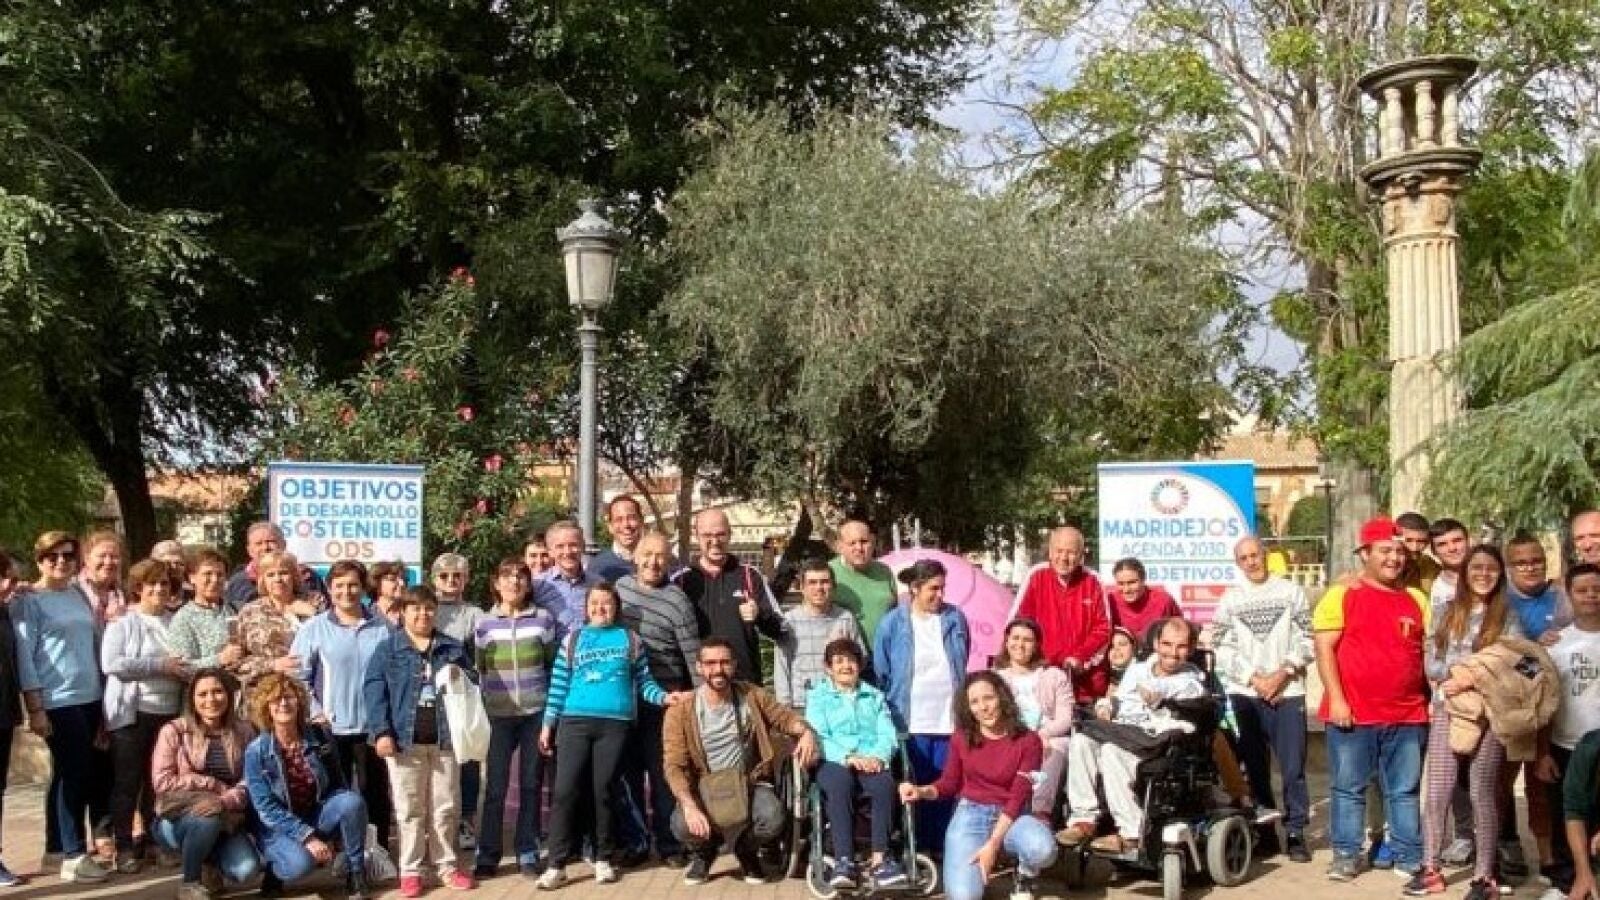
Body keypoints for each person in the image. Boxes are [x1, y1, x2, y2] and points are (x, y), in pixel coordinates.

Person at [535, 582, 681, 889]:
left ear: (616, 608)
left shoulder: (630, 640)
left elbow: (644, 682)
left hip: (615, 725)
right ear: (586, 608)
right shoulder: (573, 639)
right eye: (594, 603)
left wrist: (665, 698)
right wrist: (548, 724)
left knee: (604, 791)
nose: (600, 608)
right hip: (574, 722)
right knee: (564, 792)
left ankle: (603, 858)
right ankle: (556, 864)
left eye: (606, 603)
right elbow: (559, 686)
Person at [1314, 517, 1430, 881]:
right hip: (1354, 714)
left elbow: (1429, 651)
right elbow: (1324, 648)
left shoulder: (1416, 598)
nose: (1394, 558)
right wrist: (1337, 699)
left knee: (1405, 791)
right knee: (1349, 789)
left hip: (1408, 715)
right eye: (1385, 550)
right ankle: (1346, 855)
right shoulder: (1342, 594)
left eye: (1399, 551)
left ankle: (1408, 855)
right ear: (1365, 553)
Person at [1405, 545, 1520, 900]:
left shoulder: (1509, 617)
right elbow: (1432, 662)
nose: (1484, 574)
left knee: (1483, 791)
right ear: (1466, 573)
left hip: (1489, 712)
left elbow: (1523, 665)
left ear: (1500, 574)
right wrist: (1456, 674)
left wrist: (1473, 675)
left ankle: (1485, 877)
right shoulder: (1446, 611)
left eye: (1491, 568)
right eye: (1476, 568)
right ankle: (1430, 868)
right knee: (1438, 789)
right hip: (1449, 709)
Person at [663, 637, 819, 885]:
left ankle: (745, 850)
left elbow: (784, 718)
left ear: (734, 665)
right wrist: (689, 805)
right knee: (681, 824)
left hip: (749, 782)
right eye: (710, 663)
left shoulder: (751, 695)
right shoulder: (680, 710)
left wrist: (806, 732)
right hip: (703, 785)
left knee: (773, 817)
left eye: (724, 662)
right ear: (699, 667)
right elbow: (674, 765)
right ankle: (705, 851)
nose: (718, 669)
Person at [899, 672, 1057, 900]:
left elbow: (1018, 796)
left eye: (989, 698)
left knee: (1043, 850)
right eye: (974, 702)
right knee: (964, 896)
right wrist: (920, 791)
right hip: (970, 813)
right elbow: (949, 784)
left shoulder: (1028, 740)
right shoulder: (961, 738)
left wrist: (993, 844)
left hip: (1012, 815)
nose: (983, 707)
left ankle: (1025, 875)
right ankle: (974, 873)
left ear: (1002, 698)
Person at [365, 586, 478, 896]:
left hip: (445, 740)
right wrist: (382, 732)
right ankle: (411, 870)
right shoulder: (388, 649)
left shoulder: (451, 647)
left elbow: (472, 687)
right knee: (409, 809)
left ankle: (447, 866)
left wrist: (461, 678)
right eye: (415, 608)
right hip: (404, 741)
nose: (422, 614)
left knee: (445, 807)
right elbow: (374, 692)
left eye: (428, 608)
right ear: (402, 612)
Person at [1058, 617, 1206, 854]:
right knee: (1081, 741)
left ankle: (1131, 832)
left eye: (1181, 647)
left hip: (1153, 742)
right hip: (1123, 731)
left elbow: (1170, 689)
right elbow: (1120, 699)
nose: (1173, 652)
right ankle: (1084, 820)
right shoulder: (1138, 670)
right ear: (1156, 644)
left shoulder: (1192, 680)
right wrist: (1107, 706)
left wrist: (1156, 691)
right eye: (1167, 644)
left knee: (1111, 751)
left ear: (1190, 650)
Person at [1210, 535, 1314, 862]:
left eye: (1255, 555)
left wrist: (1283, 673)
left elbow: (1308, 637)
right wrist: (1254, 679)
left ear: (1265, 555)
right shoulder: (1230, 599)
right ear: (1237, 563)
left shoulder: (1291, 592)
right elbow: (1221, 646)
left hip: (1288, 692)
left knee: (1293, 768)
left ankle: (1295, 832)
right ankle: (1265, 831)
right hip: (1247, 694)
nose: (1251, 562)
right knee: (1255, 767)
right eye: (1244, 558)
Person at [15, 531, 110, 883]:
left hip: (89, 695)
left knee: (66, 774)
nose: (61, 562)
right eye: (52, 557)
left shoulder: (77, 593)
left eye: (68, 556)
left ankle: (55, 849)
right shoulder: (28, 600)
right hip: (57, 699)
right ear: (39, 560)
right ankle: (74, 854)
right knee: (75, 773)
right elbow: (25, 655)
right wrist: (35, 707)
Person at [291, 561, 394, 853]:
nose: (346, 591)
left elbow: (393, 674)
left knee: (375, 794)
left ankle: (378, 853)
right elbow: (297, 677)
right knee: (336, 795)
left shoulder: (383, 628)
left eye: (353, 585)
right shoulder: (313, 628)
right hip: (330, 728)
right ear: (329, 588)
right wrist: (315, 711)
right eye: (339, 586)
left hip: (372, 728)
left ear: (363, 588)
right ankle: (343, 854)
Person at [615, 532, 701, 866]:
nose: (653, 562)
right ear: (635, 556)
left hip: (664, 700)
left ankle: (670, 845)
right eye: (647, 554)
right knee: (628, 775)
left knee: (664, 774)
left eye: (661, 556)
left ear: (669, 561)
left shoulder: (677, 601)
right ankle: (636, 843)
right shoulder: (620, 590)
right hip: (624, 698)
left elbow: (692, 655)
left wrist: (698, 702)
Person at [873, 559, 970, 853]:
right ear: (915, 588)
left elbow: (962, 659)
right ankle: (912, 844)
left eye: (942, 588)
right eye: (933, 589)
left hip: (947, 717)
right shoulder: (893, 623)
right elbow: (882, 670)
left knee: (944, 782)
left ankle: (939, 845)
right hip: (909, 718)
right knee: (913, 780)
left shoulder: (955, 618)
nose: (940, 595)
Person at [244, 673, 369, 900]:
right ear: (266, 707)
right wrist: (307, 838)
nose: (283, 703)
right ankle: (275, 868)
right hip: (277, 826)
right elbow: (266, 808)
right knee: (301, 865)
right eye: (276, 699)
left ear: (300, 702)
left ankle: (356, 873)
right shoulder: (256, 752)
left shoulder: (320, 736)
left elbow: (338, 785)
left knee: (351, 802)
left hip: (315, 813)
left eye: (289, 697)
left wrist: (340, 835)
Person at [103, 558, 192, 873]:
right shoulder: (123, 623)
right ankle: (124, 846)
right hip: (134, 714)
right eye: (151, 583)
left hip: (170, 713)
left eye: (164, 583)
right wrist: (160, 666)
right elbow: (112, 663)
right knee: (128, 783)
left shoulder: (177, 621)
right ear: (138, 588)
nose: (158, 589)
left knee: (160, 783)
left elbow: (188, 660)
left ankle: (155, 842)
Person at [471, 559, 558, 879]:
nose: (514, 582)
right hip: (497, 717)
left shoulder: (543, 619)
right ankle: (487, 854)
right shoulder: (483, 623)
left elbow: (551, 665)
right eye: (507, 577)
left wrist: (550, 713)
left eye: (521, 577)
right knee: (494, 788)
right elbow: (480, 669)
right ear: (496, 584)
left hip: (535, 714)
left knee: (531, 785)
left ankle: (528, 853)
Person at [151, 669, 262, 900]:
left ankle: (208, 862)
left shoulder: (245, 730)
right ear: (192, 699)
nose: (210, 699)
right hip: (177, 817)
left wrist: (224, 800)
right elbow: (162, 782)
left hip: (227, 814)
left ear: (229, 695)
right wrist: (211, 784)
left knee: (246, 870)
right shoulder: (174, 731)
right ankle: (190, 883)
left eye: (217, 691)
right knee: (206, 820)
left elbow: (252, 779)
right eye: (202, 694)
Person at [807, 638, 906, 889]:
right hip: (833, 759)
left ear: (860, 665)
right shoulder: (818, 696)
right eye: (839, 661)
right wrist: (848, 758)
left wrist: (877, 757)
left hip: (870, 758)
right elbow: (818, 735)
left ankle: (880, 860)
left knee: (884, 784)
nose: (846, 666)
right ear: (828, 668)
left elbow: (887, 734)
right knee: (840, 784)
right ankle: (844, 860)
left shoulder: (874, 696)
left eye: (851, 660)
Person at [1502, 532, 1571, 875]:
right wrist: (1536, 655)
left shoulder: (1562, 596)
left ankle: (1548, 857)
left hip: (1553, 706)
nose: (1530, 568)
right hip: (1510, 706)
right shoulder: (1499, 601)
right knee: (1500, 784)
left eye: (1536, 561)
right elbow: (1500, 653)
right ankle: (1506, 848)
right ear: (1508, 567)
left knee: (1542, 783)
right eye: (1521, 563)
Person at [1534, 563, 1600, 900]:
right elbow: (1539, 700)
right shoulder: (1555, 643)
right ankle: (1568, 884)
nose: (1591, 596)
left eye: (1597, 589)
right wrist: (1542, 752)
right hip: (1565, 746)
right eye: (1582, 590)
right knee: (1567, 817)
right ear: (1569, 595)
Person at [674, 508, 786, 686]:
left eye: (721, 534)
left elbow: (781, 629)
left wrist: (759, 614)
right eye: (707, 535)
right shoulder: (680, 581)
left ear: (730, 534)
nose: (715, 542)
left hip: (745, 686)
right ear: (696, 536)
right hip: (698, 688)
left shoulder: (749, 576)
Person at [1009, 526, 1111, 703]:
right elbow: (1019, 624)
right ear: (1050, 551)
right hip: (1041, 678)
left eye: (1071, 552)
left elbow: (1103, 628)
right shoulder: (1036, 576)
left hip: (1084, 684)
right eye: (1059, 551)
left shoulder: (1093, 580)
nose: (1064, 558)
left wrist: (1080, 657)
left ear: (1081, 555)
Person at [428, 552, 485, 851]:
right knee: (433, 762)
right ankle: (436, 823)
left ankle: (466, 820)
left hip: (464, 696)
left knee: (468, 760)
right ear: (433, 579)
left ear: (466, 579)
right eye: (444, 576)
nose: (451, 581)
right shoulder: (425, 609)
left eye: (457, 576)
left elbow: (482, 656)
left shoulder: (475, 614)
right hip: (430, 697)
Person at [992, 618, 1073, 820]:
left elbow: (1065, 718)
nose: (1020, 644)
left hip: (1048, 737)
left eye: (1027, 640)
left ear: (1036, 645)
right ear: (1007, 641)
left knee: (1056, 747)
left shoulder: (1054, 676)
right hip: (1011, 735)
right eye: (1015, 638)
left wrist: (1041, 735)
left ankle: (1039, 812)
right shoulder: (995, 679)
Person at [775, 559, 865, 710]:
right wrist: (784, 707)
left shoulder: (845, 618)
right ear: (802, 587)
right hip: (802, 704)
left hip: (839, 702)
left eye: (824, 582)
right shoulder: (789, 621)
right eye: (812, 582)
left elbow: (861, 659)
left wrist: (844, 648)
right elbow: (782, 667)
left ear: (833, 586)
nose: (819, 588)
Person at [234, 550, 316, 692]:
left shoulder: (314, 602)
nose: (278, 579)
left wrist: (314, 614)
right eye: (270, 575)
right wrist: (272, 665)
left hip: (307, 690)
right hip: (263, 692)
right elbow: (236, 663)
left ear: (294, 576)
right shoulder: (250, 612)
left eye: (283, 573)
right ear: (263, 580)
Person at [169, 549, 244, 673]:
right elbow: (182, 668)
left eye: (220, 574)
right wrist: (219, 659)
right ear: (192, 578)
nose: (214, 579)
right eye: (207, 574)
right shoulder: (184, 618)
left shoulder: (237, 610)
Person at [829, 519, 897, 645]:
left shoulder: (884, 571)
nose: (859, 548)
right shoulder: (828, 573)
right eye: (852, 543)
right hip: (847, 654)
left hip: (884, 651)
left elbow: (895, 609)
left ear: (873, 542)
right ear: (840, 546)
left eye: (864, 542)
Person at [0, 551, 25, 886]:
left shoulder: (6, 611)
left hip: (4, 714)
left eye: (13, 578)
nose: (9, 585)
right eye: (3, 577)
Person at [536, 521, 599, 640]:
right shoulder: (538, 585)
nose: (568, 552)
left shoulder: (598, 584)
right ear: (550, 552)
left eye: (573, 545)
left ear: (583, 547)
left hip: (590, 649)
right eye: (560, 546)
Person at [1104, 558, 1183, 638]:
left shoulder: (1164, 600)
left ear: (1143, 579)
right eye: (1121, 584)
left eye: (1132, 582)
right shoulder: (1109, 602)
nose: (1126, 589)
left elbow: (1181, 630)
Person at [590, 496, 646, 583]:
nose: (626, 525)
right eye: (619, 520)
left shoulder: (659, 564)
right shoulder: (598, 567)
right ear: (610, 527)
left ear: (641, 521)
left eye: (631, 518)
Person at [79, 530, 127, 625]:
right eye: (102, 556)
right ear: (87, 559)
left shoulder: (126, 593)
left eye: (114, 557)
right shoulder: (73, 590)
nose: (108, 562)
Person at [1398, 512, 1443, 596]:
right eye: (1408, 540)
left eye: (1421, 541)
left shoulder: (1430, 567)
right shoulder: (1381, 565)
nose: (1414, 547)